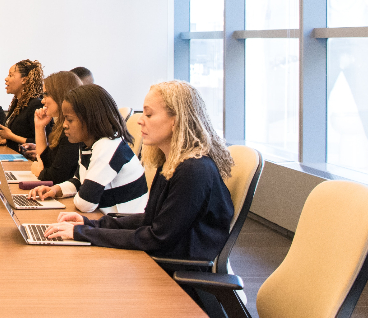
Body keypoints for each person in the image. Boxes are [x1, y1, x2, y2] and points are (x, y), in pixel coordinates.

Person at [43, 80, 234, 262]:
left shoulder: (193, 170)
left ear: (175, 121)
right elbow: (151, 220)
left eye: (149, 115)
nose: (141, 121)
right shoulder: (172, 163)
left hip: (172, 274)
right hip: (160, 259)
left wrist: (83, 233)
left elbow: (157, 237)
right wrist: (88, 224)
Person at [28, 83, 148, 213]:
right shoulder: (89, 145)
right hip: (107, 220)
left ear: (90, 119)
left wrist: (80, 194)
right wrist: (56, 190)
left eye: (69, 120)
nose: (64, 125)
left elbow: (85, 203)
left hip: (123, 224)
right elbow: (79, 180)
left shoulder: (107, 147)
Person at [30, 70, 84, 183]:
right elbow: (45, 162)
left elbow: (56, 177)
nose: (43, 101)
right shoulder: (60, 126)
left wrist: (40, 173)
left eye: (46, 95)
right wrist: (39, 127)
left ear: (60, 95)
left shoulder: (73, 130)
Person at [0, 59, 44, 150]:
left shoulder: (35, 104)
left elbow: (40, 141)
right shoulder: (18, 102)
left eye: (11, 75)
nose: (6, 78)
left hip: (27, 159)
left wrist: (10, 136)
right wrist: (6, 139)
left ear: (24, 80)